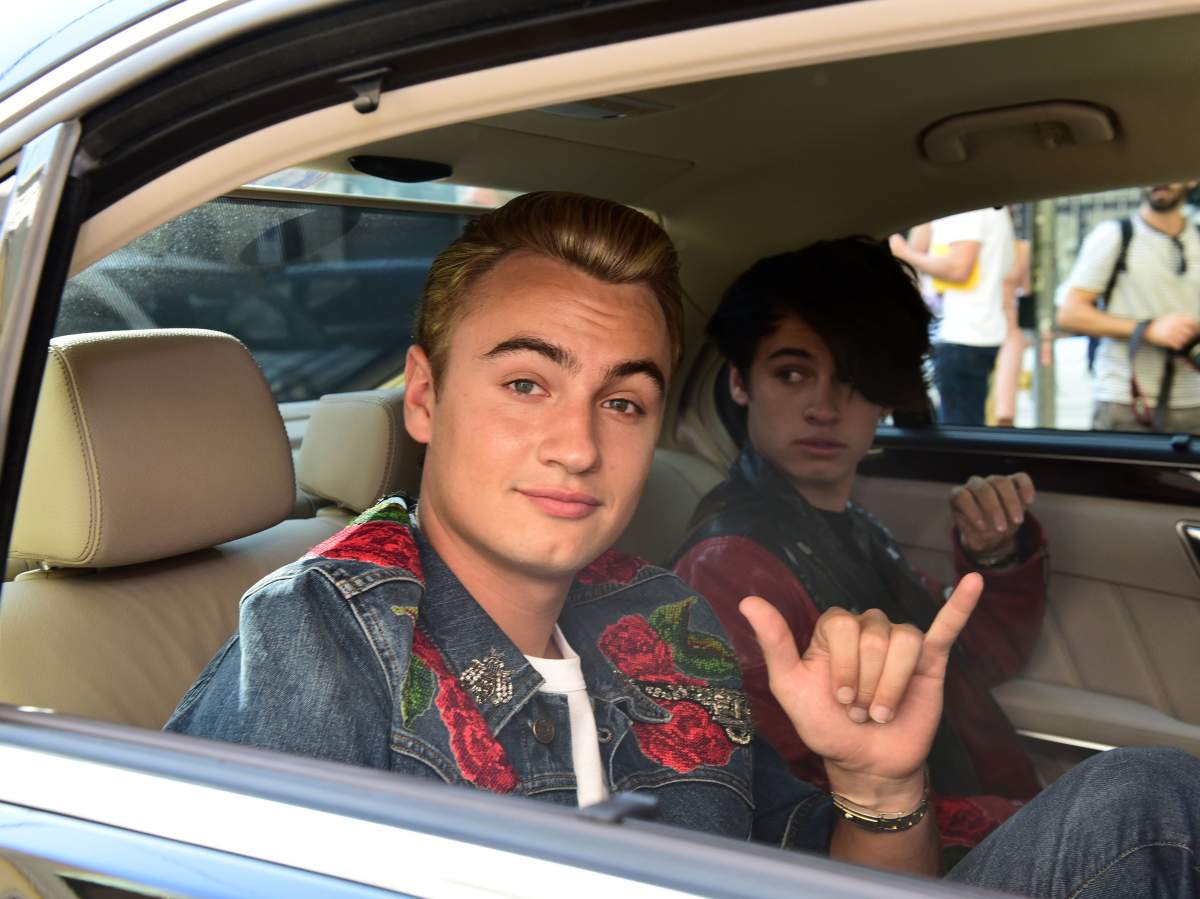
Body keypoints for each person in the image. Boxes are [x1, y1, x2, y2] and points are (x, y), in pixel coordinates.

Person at [165, 192, 1200, 893]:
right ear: (426, 397)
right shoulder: (325, 635)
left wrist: (880, 791)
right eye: (527, 383)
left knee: (1145, 796)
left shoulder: (661, 615)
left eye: (622, 399)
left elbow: (827, 869)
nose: (576, 444)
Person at [672, 238, 1046, 864]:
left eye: (855, 379)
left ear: (886, 395)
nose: (824, 407)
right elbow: (786, 801)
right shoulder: (729, 566)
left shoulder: (853, 527)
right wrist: (1004, 820)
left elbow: (963, 667)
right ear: (740, 382)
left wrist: (997, 556)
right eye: (791, 373)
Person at [1057, 183, 1200, 433]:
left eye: (1169, 172)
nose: (1160, 181)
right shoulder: (1115, 235)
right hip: (1125, 400)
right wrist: (1147, 330)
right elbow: (1069, 313)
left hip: (1194, 400)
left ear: (1191, 180)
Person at [891, 207, 1016, 425]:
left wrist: (904, 254)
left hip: (962, 336)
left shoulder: (968, 211)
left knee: (958, 434)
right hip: (971, 335)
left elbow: (958, 268)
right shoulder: (991, 211)